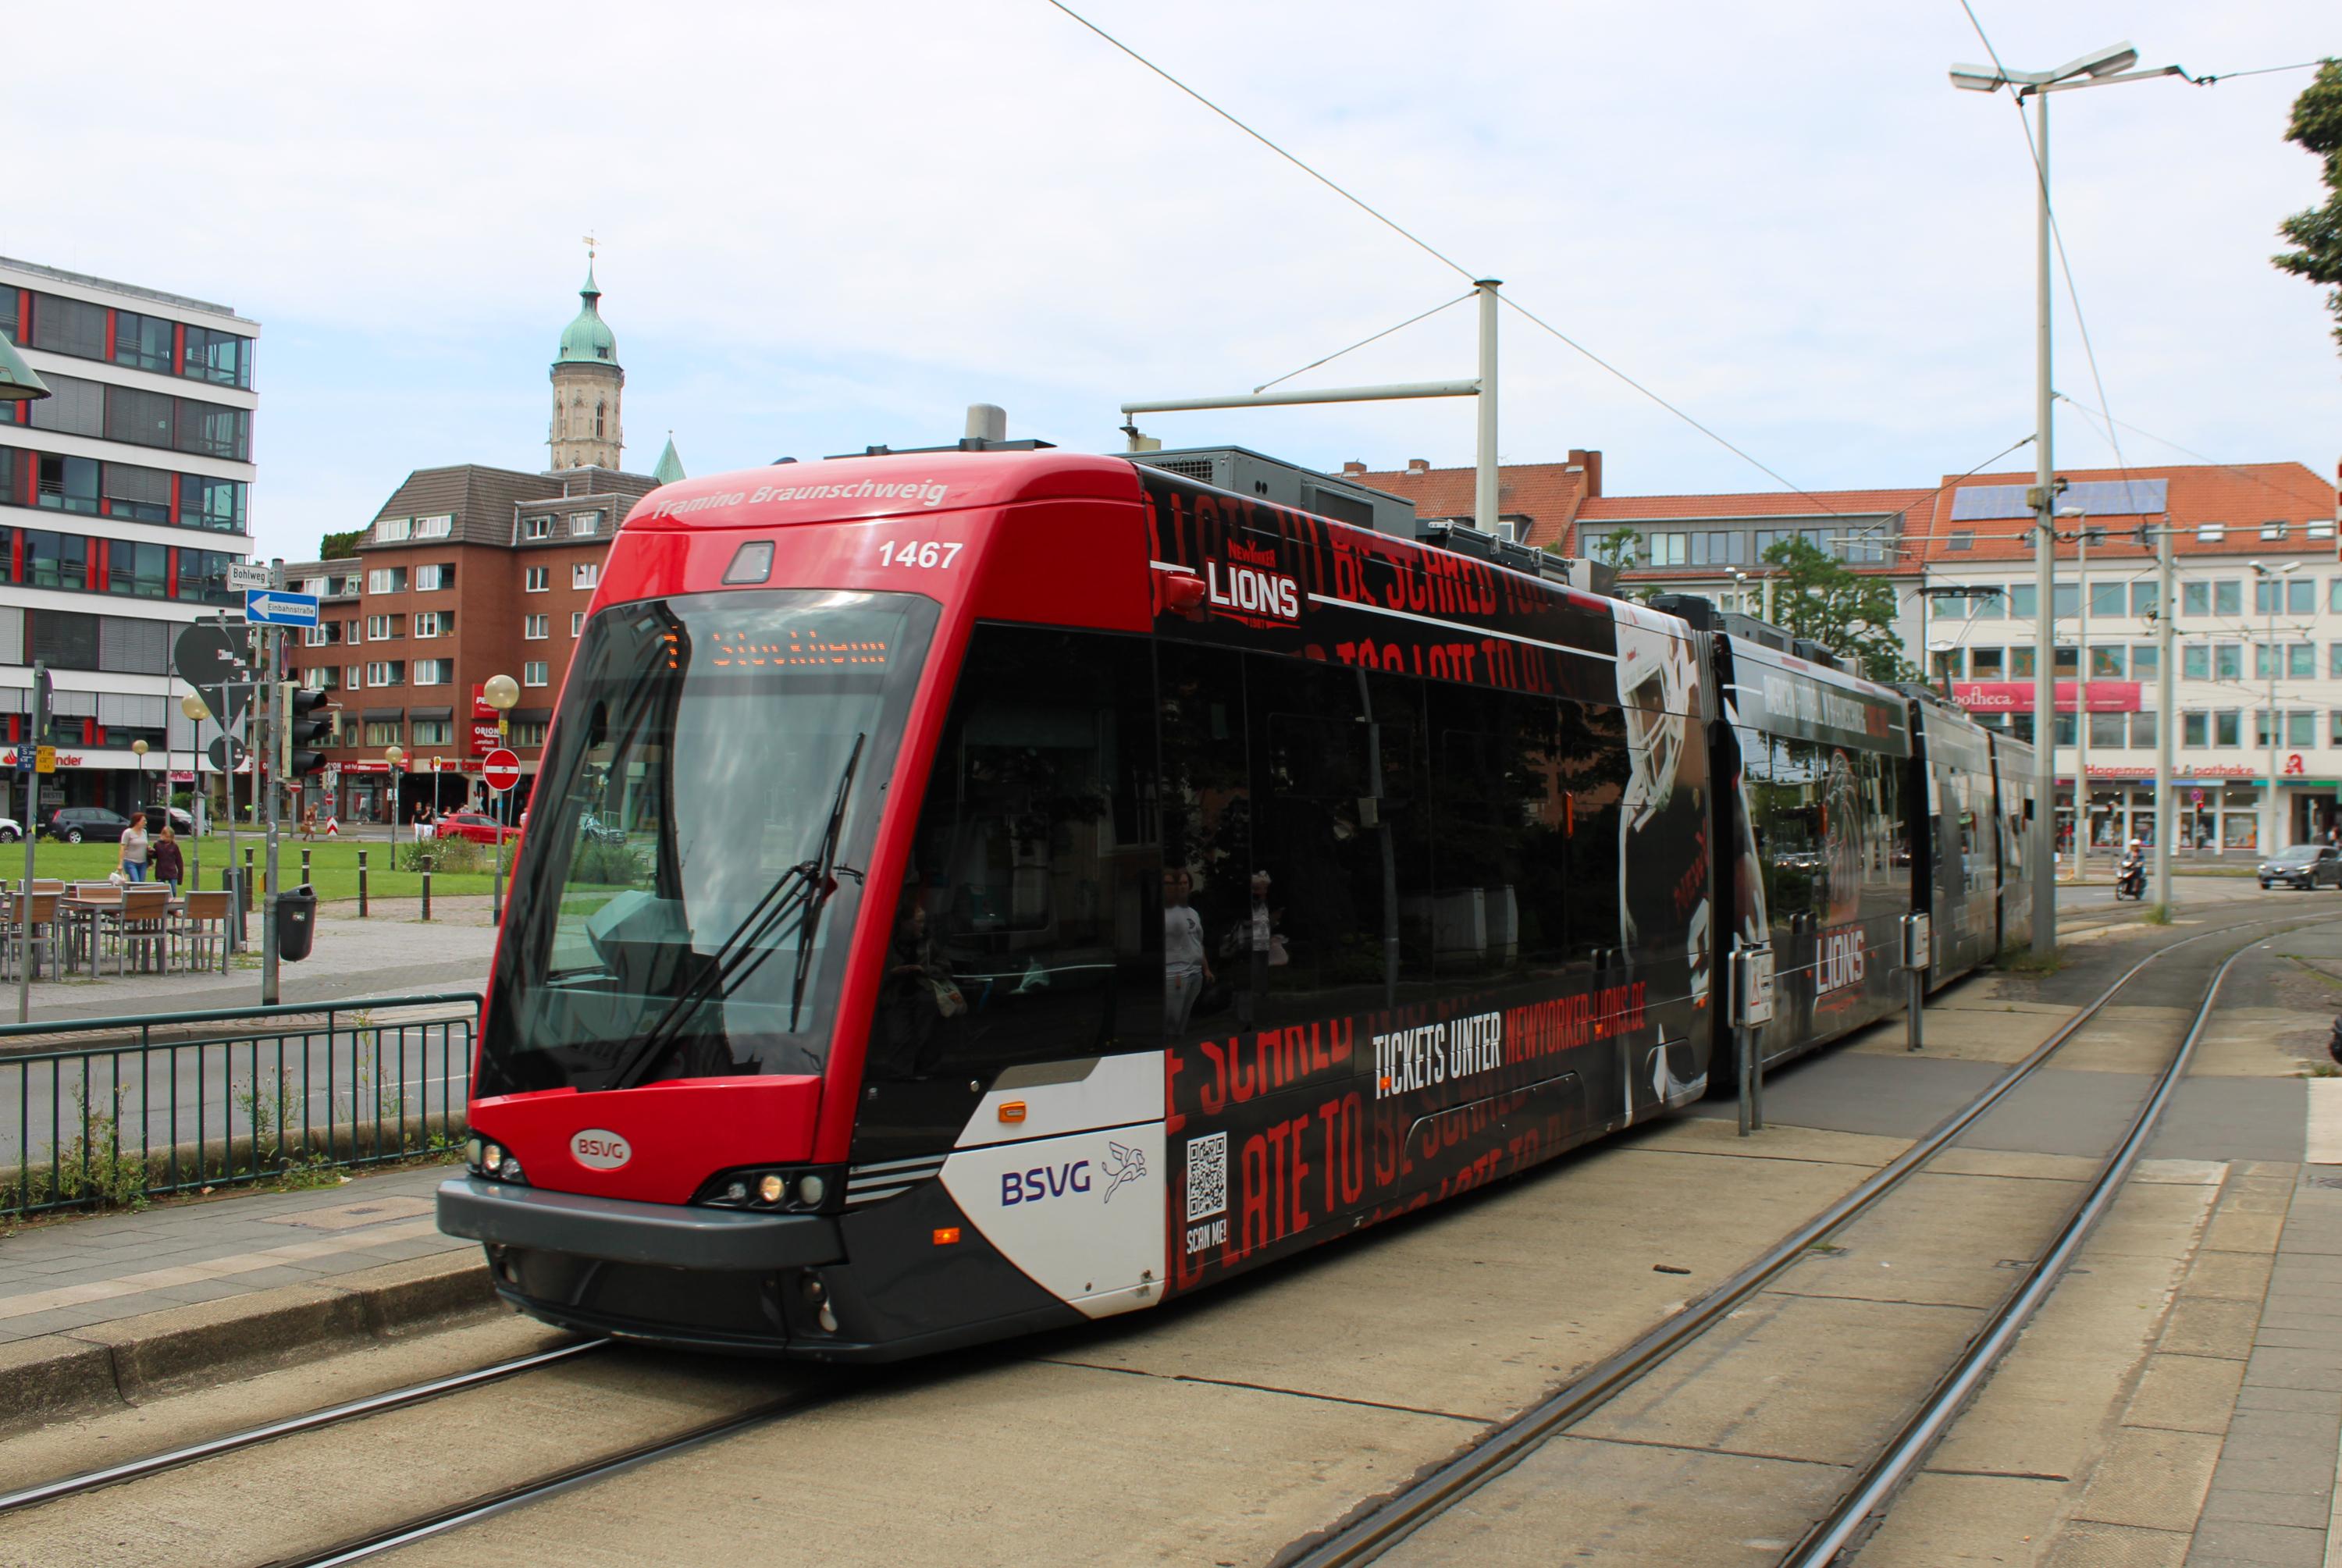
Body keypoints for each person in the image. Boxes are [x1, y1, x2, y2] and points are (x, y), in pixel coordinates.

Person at [1163, 868, 1211, 1034]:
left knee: (1184, 1018)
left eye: (1185, 883)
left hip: (1195, 974)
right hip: (1177, 975)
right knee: (1173, 1019)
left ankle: (1178, 1048)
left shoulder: (1193, 913)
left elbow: (1198, 941)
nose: (1182, 886)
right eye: (1179, 883)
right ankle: (1170, 1050)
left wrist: (1206, 969)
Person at [151, 823, 184, 896]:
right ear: (162, 835)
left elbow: (179, 862)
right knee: (160, 892)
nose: (168, 839)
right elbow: (154, 856)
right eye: (166, 837)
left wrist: (180, 878)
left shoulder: (175, 846)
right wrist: (150, 852)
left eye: (170, 837)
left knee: (173, 892)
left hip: (172, 873)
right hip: (160, 872)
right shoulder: (157, 844)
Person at [117, 814, 151, 884]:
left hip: (143, 863)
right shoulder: (128, 832)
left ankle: (134, 894)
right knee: (136, 882)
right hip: (130, 862)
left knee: (141, 884)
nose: (145, 823)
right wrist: (120, 864)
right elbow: (122, 848)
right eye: (143, 821)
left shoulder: (144, 832)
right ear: (137, 822)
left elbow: (145, 844)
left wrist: (149, 848)